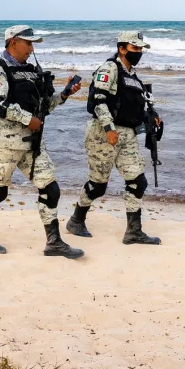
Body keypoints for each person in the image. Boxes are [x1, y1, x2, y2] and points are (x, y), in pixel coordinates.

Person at [0, 25, 84, 259]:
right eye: (28, 43)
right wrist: (28, 119)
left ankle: (54, 242)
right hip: (6, 143)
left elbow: (44, 108)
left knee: (50, 189)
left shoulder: (32, 73)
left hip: (32, 144)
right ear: (13, 42)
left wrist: (64, 95)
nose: (32, 48)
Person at [67, 31, 162, 245]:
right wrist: (109, 128)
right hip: (103, 133)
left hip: (127, 134)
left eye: (140, 49)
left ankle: (133, 232)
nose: (138, 52)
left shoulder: (132, 75)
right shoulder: (109, 69)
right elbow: (97, 100)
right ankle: (76, 220)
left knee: (138, 181)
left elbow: (135, 105)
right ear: (122, 48)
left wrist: (152, 117)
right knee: (98, 184)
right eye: (134, 48)